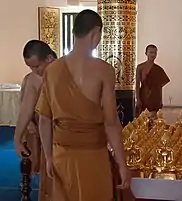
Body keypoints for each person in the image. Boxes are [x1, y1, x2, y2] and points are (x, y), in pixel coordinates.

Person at [35, 9, 130, 201]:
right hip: (93, 155)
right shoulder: (104, 70)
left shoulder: (52, 70)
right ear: (96, 32)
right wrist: (121, 164)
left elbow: (44, 119)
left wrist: (48, 156)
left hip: (62, 155)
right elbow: (111, 123)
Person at [14, 40, 56, 201]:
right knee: (49, 179)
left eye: (37, 66)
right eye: (30, 67)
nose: (34, 71)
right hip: (46, 135)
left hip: (68, 137)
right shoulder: (34, 79)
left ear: (49, 58)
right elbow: (26, 109)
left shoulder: (68, 72)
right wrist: (17, 138)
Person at [135, 44, 170, 119]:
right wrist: (138, 99)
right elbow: (137, 84)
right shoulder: (140, 67)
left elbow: (160, 85)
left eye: (155, 52)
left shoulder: (158, 69)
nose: (153, 55)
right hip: (143, 96)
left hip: (155, 98)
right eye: (151, 52)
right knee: (142, 120)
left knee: (154, 120)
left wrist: (158, 98)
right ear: (146, 53)